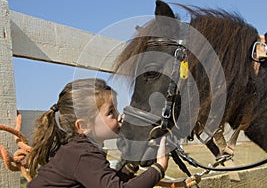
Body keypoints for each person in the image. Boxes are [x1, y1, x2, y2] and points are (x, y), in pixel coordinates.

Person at [26, 78, 169, 188]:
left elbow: (106, 182)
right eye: (111, 112)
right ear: (84, 126)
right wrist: (159, 167)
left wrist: (130, 166)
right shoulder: (82, 154)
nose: (120, 116)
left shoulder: (79, 149)